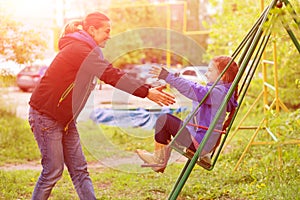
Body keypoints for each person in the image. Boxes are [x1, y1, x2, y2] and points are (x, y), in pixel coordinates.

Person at [28, 11, 175, 200]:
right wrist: (146, 92)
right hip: (45, 116)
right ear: (92, 30)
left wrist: (147, 89)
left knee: (80, 170)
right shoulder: (79, 50)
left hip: (65, 119)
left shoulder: (86, 51)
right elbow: (110, 74)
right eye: (106, 31)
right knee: (53, 170)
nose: (109, 35)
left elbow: (111, 73)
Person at [136, 56, 239, 173]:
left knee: (164, 119)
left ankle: (158, 159)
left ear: (223, 75)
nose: (206, 74)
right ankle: (160, 157)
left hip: (198, 142)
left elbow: (193, 90)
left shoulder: (218, 94)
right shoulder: (221, 92)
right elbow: (195, 87)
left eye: (210, 70)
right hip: (201, 140)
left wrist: (168, 77)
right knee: (167, 121)